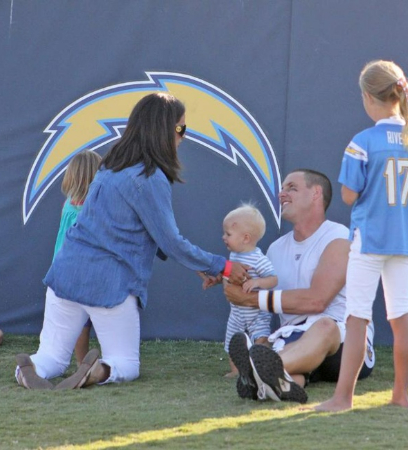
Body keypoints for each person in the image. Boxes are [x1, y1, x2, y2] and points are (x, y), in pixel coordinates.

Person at [15, 92, 249, 390]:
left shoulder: (107, 168)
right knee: (125, 364)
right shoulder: (150, 178)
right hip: (110, 283)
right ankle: (96, 372)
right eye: (180, 129)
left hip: (66, 271)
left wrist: (200, 266)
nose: (183, 136)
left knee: (50, 358)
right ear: (162, 130)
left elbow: (145, 234)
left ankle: (26, 371)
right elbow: (171, 241)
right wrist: (223, 266)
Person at [316, 60, 408, 412]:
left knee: (357, 316)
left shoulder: (362, 141)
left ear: (370, 98)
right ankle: (401, 395)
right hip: (403, 242)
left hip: (369, 240)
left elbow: (349, 195)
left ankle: (343, 398)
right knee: (401, 315)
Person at [225, 169, 375, 404]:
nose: (281, 194)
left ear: (316, 194)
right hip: (295, 342)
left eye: (291, 188)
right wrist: (221, 275)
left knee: (324, 326)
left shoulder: (340, 238)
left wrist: (250, 299)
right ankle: (268, 384)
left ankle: (255, 369)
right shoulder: (274, 249)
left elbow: (317, 301)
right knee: (290, 376)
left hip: (344, 345)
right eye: (282, 188)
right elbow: (250, 292)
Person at [54, 150, 102, 366]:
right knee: (99, 318)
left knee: (81, 323)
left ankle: (82, 364)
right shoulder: (94, 209)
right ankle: (99, 363)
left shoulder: (68, 204)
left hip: (65, 271)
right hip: (89, 270)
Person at [221, 204, 277, 379]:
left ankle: (261, 365)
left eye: (228, 234)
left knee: (261, 339)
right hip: (237, 312)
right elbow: (229, 274)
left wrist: (257, 281)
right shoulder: (234, 256)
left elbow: (273, 279)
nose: (223, 237)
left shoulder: (258, 259)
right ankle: (237, 370)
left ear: (245, 238)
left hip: (257, 313)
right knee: (232, 341)